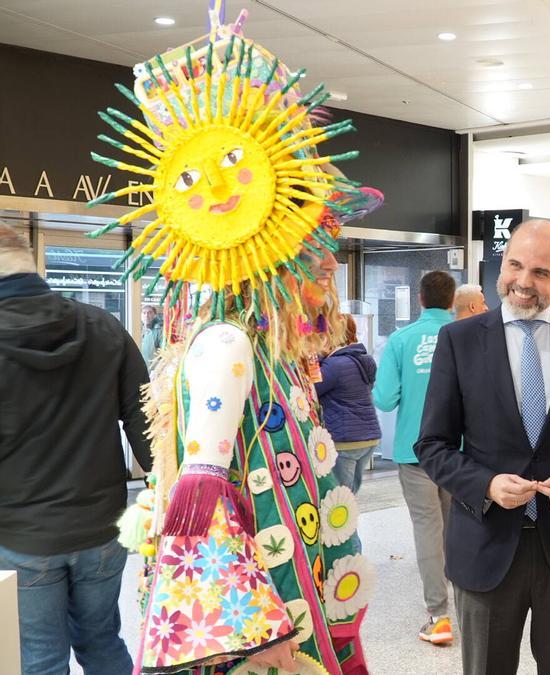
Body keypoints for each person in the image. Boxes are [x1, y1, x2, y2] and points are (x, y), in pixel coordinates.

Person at [90, 23, 376, 673]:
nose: (325, 266)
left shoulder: (256, 346)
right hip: (262, 629)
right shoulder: (227, 343)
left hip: (279, 606)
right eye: (315, 246)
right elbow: (199, 492)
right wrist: (256, 629)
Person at [415, 219, 550, 675]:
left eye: (540, 272)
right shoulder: (460, 340)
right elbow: (432, 445)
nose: (523, 282)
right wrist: (486, 484)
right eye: (515, 265)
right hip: (485, 546)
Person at [0, 223, 151, 675]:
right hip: (104, 526)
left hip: (21, 535)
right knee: (103, 640)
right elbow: (147, 420)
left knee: (41, 658)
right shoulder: (103, 326)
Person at [373, 270, 457, 645]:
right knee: (460, 527)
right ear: (453, 300)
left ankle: (439, 617)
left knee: (428, 528)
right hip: (463, 452)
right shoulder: (470, 336)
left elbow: (384, 398)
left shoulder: (402, 340)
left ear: (420, 299)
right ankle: (473, 608)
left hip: (416, 449)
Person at [317, 315, 382, 494]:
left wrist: (318, 359)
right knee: (349, 496)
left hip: (345, 440)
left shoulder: (334, 365)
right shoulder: (362, 360)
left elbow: (312, 389)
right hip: (368, 438)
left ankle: (347, 523)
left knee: (339, 500)